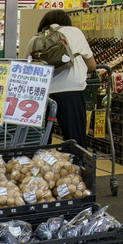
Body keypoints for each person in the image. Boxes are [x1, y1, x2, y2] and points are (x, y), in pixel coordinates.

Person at [29, 9, 95, 151]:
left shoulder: (35, 39)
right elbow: (92, 65)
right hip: (72, 90)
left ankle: (40, 166)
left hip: (42, 93)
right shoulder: (75, 32)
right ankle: (76, 167)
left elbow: (28, 68)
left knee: (41, 137)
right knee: (74, 137)